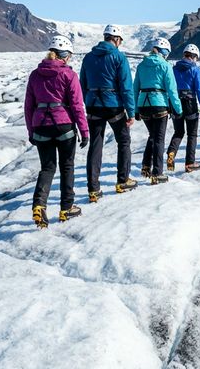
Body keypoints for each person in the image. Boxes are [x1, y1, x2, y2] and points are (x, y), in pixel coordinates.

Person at [24, 35, 89, 228]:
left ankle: (38, 205)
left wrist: (31, 130)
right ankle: (66, 208)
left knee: (47, 167)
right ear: (66, 56)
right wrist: (84, 131)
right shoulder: (68, 75)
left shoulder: (35, 74)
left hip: (41, 125)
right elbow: (77, 105)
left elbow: (28, 106)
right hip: (64, 125)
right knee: (67, 166)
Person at [80, 24, 137, 202]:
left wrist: (88, 101)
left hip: (93, 105)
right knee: (124, 141)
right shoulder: (118, 57)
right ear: (117, 39)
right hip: (114, 106)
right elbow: (126, 87)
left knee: (96, 144)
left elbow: (83, 83)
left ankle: (93, 189)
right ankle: (122, 180)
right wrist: (131, 112)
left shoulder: (88, 57)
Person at [133, 38, 182, 184]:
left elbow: (135, 88)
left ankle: (145, 166)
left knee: (152, 136)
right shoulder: (165, 65)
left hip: (143, 104)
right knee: (159, 139)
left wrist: (136, 109)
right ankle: (157, 173)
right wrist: (178, 110)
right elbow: (172, 90)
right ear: (164, 52)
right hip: (159, 103)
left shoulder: (141, 65)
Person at [166, 43, 200, 172]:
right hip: (190, 103)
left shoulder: (174, 69)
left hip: (176, 103)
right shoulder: (195, 70)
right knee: (192, 134)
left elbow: (170, 89)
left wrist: (169, 105)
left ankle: (171, 153)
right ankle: (190, 163)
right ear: (194, 56)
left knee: (178, 132)